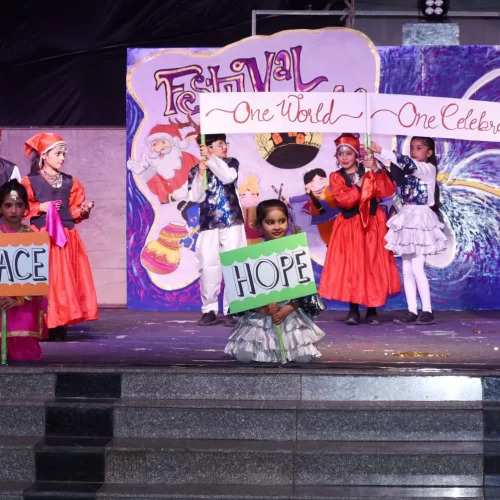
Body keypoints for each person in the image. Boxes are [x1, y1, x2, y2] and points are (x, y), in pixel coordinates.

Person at [225, 199, 325, 363]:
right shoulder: (251, 255)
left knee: (303, 359)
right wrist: (263, 309)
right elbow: (245, 292)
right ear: (259, 225)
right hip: (261, 314)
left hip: (289, 312)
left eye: (282, 221)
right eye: (270, 222)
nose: (277, 227)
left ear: (288, 221)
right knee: (244, 356)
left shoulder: (295, 251)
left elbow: (303, 291)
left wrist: (286, 310)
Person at [21, 132, 98, 341]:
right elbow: (21, 208)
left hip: (65, 238)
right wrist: (40, 207)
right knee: (45, 281)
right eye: (58, 154)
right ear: (44, 155)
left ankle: (60, 324)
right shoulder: (30, 181)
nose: (62, 158)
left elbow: (72, 211)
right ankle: (42, 324)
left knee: (63, 283)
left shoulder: (70, 182)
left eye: (64, 154)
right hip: (42, 237)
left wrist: (83, 210)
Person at [318, 133, 401, 325]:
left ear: (357, 155)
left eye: (349, 153)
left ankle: (372, 310)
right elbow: (345, 201)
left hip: (371, 223)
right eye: (340, 154)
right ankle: (353, 310)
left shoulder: (370, 170)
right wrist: (361, 182)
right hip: (350, 225)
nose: (344, 157)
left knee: (372, 263)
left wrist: (376, 169)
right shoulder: (336, 177)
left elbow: (387, 191)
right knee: (352, 265)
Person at [371, 137, 446, 325]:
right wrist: (375, 163)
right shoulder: (409, 169)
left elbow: (407, 163)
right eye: (412, 147)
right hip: (407, 214)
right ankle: (412, 310)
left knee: (417, 267)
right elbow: (393, 173)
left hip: (421, 218)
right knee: (406, 268)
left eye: (419, 148)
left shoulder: (428, 169)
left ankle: (427, 310)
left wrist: (383, 151)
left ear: (429, 152)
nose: (414, 151)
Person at [186, 134, 247, 327]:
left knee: (234, 264)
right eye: (220, 144)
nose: (225, 147)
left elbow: (227, 177)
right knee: (208, 266)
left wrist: (212, 158)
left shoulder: (231, 163)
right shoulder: (197, 169)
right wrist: (199, 175)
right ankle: (209, 309)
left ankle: (234, 308)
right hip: (208, 223)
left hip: (232, 220)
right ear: (207, 147)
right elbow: (196, 197)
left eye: (224, 143)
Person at [0, 180, 47, 361]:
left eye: (19, 205)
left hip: (24, 304)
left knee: (25, 357)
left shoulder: (33, 239)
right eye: (8, 205)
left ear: (26, 208)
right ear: (0, 208)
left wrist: (18, 299)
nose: (13, 210)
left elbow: (36, 277)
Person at [285, 168, 339, 245]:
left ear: (326, 179)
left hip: (336, 215)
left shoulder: (331, 189)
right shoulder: (309, 195)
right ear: (306, 185)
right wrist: (289, 200)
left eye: (321, 179)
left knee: (340, 230)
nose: (317, 184)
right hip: (321, 219)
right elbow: (299, 198)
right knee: (326, 233)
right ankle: (330, 244)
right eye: (312, 182)